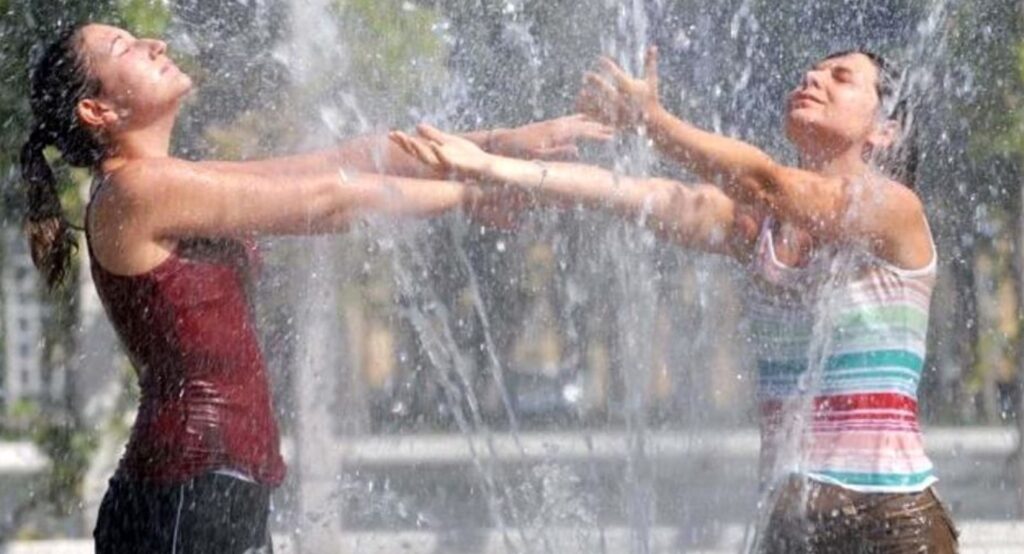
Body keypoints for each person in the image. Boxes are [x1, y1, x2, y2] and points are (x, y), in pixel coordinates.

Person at [17, 23, 609, 553]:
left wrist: (501, 146)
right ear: (96, 110)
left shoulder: (168, 181)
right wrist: (475, 191)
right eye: (123, 46)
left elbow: (342, 162)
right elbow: (329, 199)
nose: (154, 43)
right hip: (186, 497)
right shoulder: (136, 192)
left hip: (215, 488)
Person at [391, 46, 957, 552]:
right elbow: (638, 195)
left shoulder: (895, 212)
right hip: (787, 527)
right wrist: (496, 167)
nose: (813, 78)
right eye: (812, 70)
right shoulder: (759, 232)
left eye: (841, 77)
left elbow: (767, 182)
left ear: (884, 131)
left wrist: (654, 123)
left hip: (892, 525)